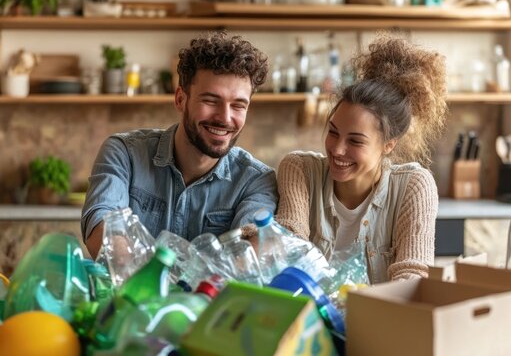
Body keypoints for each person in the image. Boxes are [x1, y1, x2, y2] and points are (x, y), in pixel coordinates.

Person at [82, 31, 278, 259]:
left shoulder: (256, 181)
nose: (225, 118)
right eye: (211, 101)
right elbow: (102, 228)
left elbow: (249, 253)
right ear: (180, 99)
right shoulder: (124, 153)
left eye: (238, 105)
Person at [275, 34, 448, 284]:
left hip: (383, 319)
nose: (337, 149)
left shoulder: (413, 186)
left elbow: (412, 277)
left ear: (388, 145)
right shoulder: (299, 170)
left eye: (355, 141)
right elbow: (289, 245)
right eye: (333, 132)